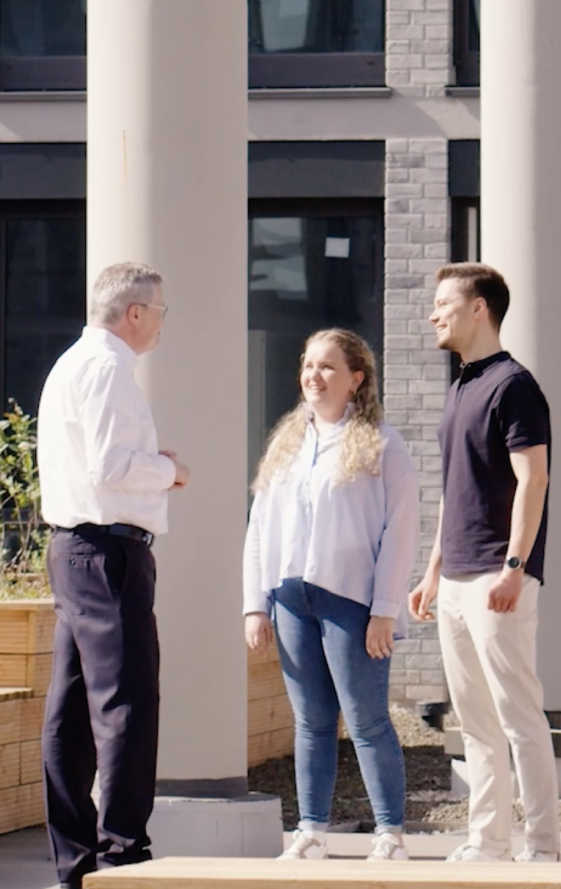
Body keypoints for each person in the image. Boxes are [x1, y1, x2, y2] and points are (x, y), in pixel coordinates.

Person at [37, 262, 189, 886]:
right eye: (160, 311)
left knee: (71, 712)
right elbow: (109, 466)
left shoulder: (73, 363)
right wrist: (167, 469)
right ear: (134, 313)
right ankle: (124, 855)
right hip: (107, 553)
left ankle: (74, 864)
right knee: (126, 702)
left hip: (75, 550)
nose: (161, 323)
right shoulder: (107, 369)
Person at [243, 329, 419, 863]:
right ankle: (311, 832)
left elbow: (401, 531)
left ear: (356, 379)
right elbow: (259, 528)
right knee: (311, 723)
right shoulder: (286, 445)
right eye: (308, 366)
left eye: (327, 367)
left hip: (353, 603)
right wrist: (255, 603)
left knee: (366, 722)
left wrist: (385, 610)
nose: (313, 376)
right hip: (291, 599)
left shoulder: (383, 444)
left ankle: (389, 833)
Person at [409, 262, 561, 864]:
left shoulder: (514, 385)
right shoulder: (461, 387)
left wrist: (514, 567)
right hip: (456, 579)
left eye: (444, 302)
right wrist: (431, 571)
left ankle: (543, 845)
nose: (433, 312)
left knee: (518, 715)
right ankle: (487, 840)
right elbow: (455, 490)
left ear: (480, 309)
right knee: (474, 721)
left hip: (501, 579)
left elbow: (534, 478)